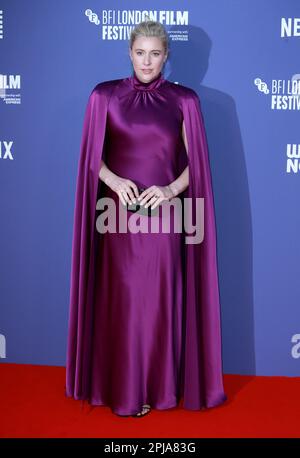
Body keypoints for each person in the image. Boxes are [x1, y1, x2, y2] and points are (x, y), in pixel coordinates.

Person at [65, 18, 227, 418]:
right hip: (116, 218)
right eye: (140, 53)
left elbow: (199, 165)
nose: (147, 61)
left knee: (158, 303)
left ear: (167, 56)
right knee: (124, 303)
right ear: (129, 53)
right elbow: (91, 159)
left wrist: (171, 189)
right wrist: (114, 181)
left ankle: (159, 387)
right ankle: (126, 388)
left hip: (165, 218)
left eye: (155, 54)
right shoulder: (103, 96)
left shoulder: (184, 100)